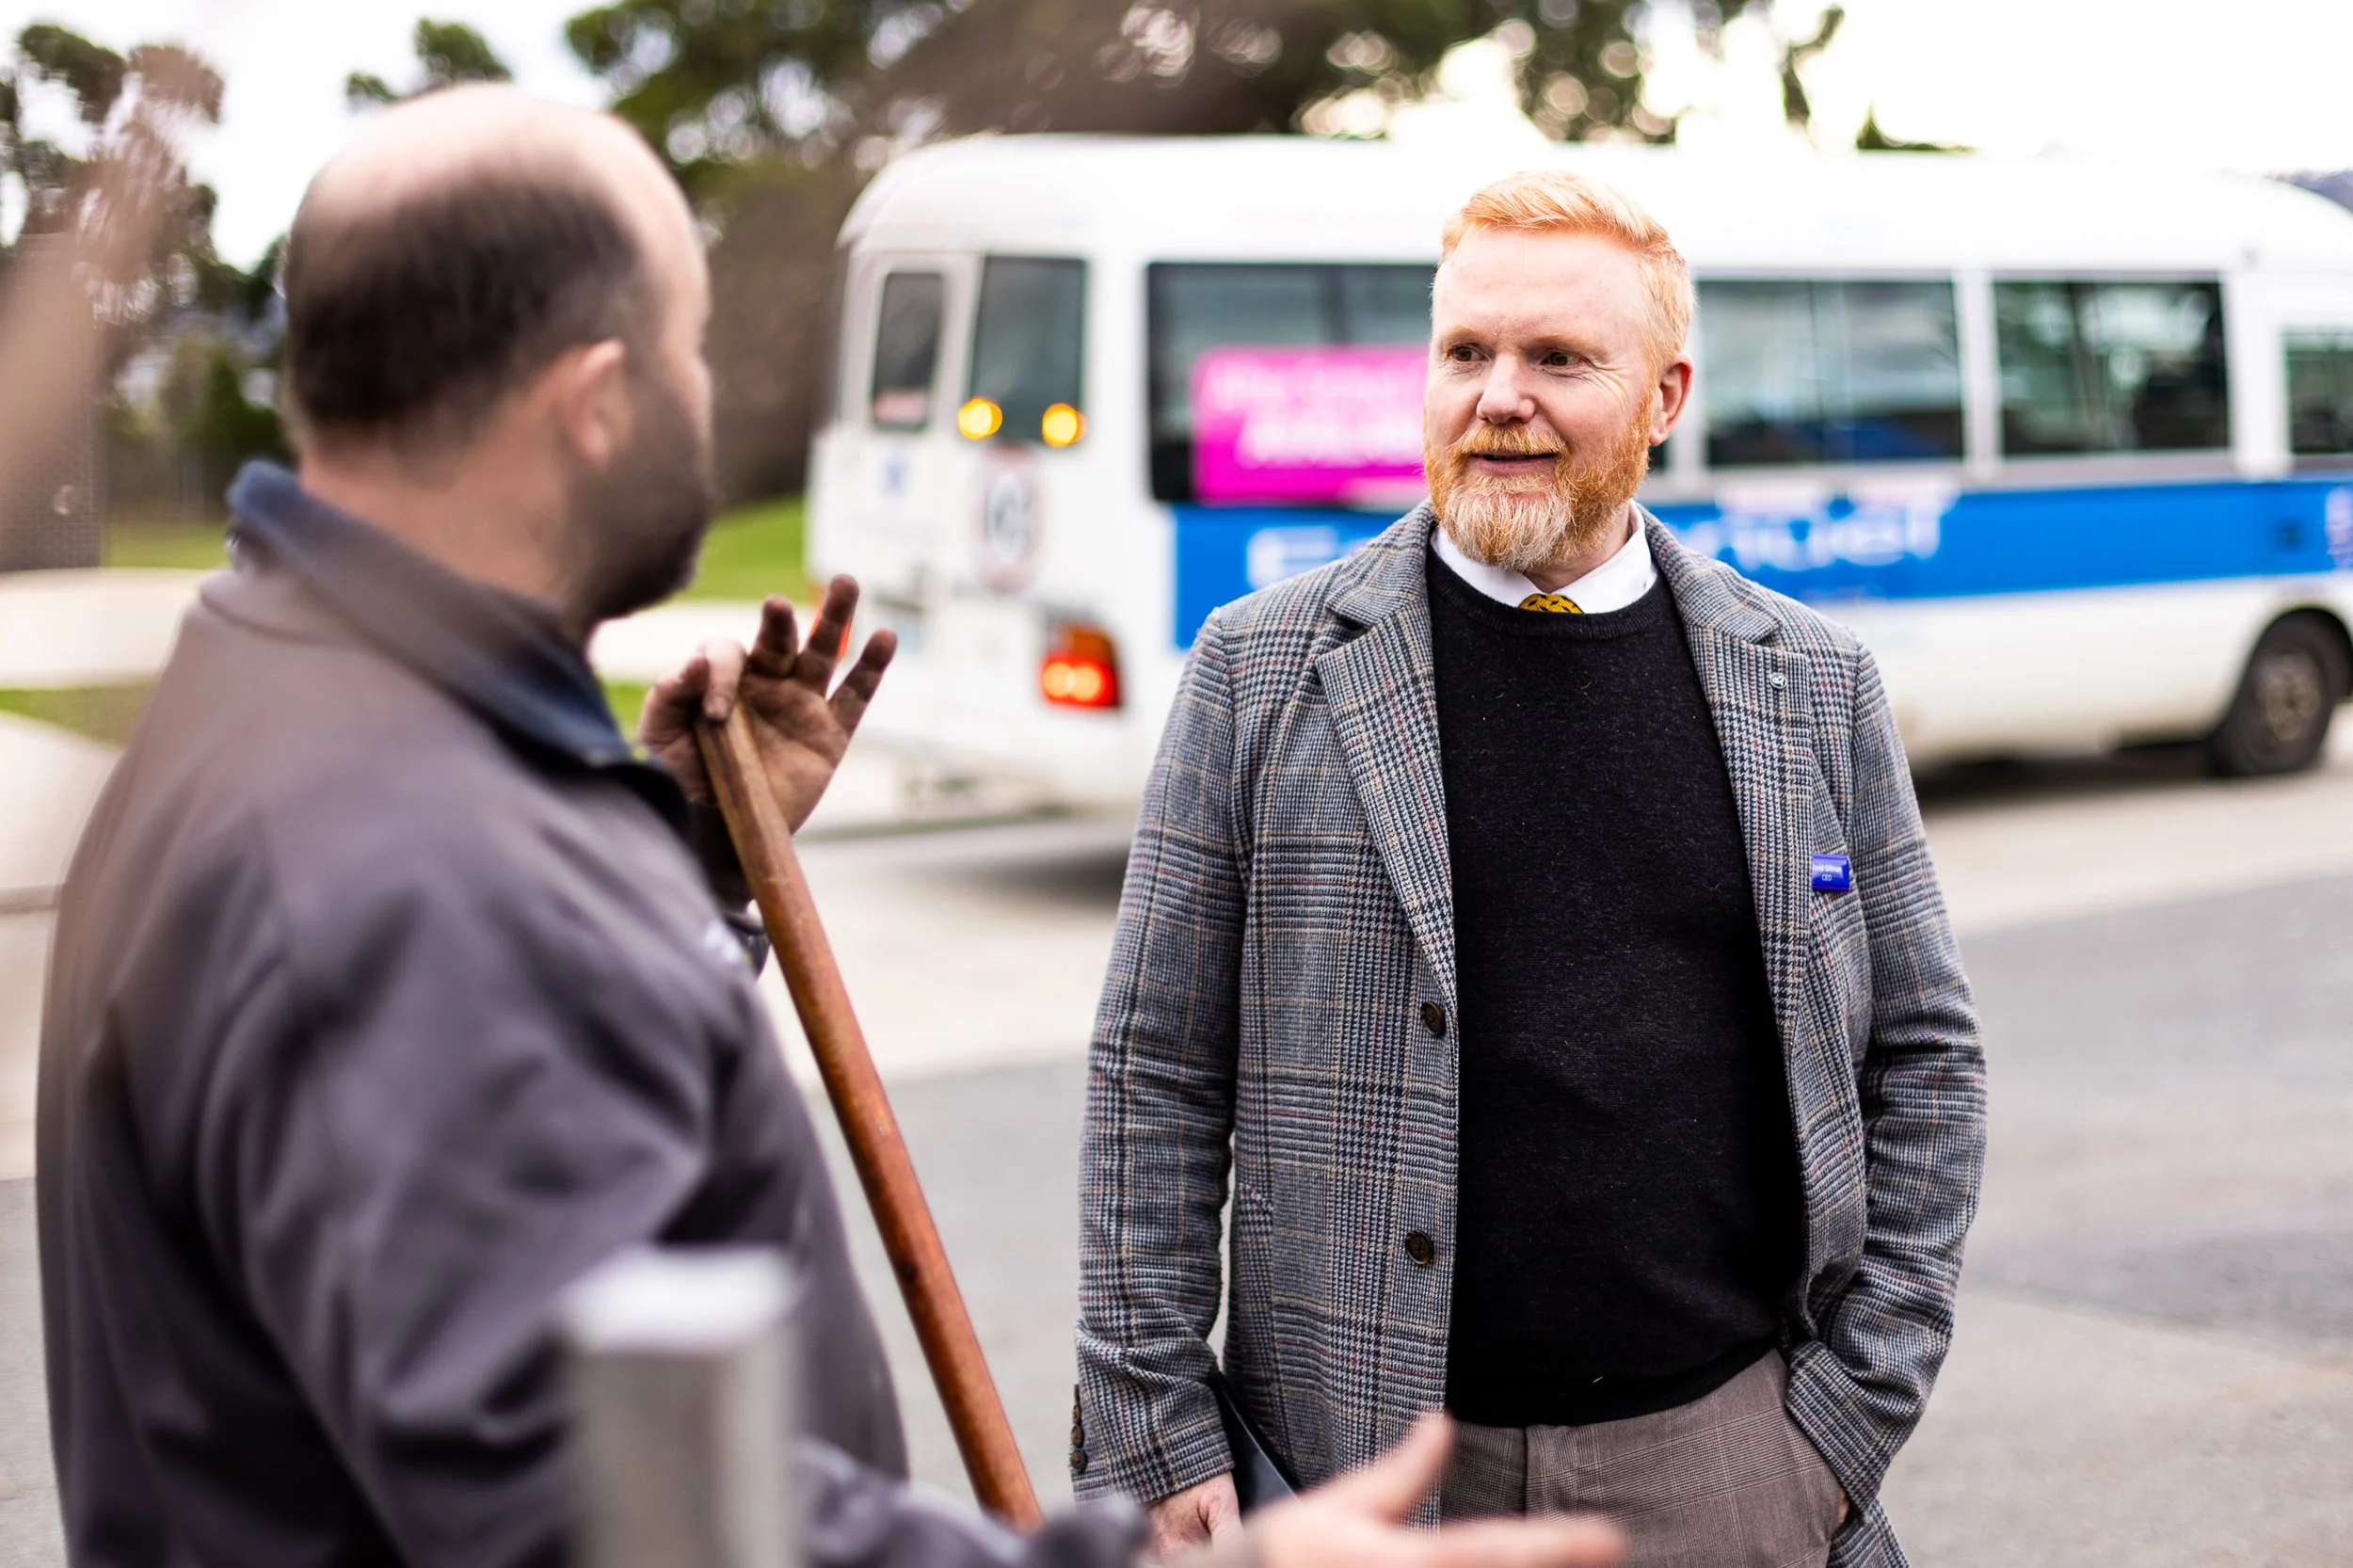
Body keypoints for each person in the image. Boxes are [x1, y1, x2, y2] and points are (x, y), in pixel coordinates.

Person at [34, 89, 1626, 1568]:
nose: (710, 398)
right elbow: (608, 1510)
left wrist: (675, 863)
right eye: (692, 350)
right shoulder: (404, 860)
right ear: (594, 405)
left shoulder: (286, 707)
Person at [1073, 168, 1987, 1568]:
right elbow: (1155, 1068)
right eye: (1466, 353)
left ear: (1665, 398)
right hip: (1360, 1474)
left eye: (1558, 358)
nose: (1500, 397)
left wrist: (1845, 1424)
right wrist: (1154, 1423)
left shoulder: (1812, 683)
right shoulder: (1259, 670)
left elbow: (1926, 1054)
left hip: (1728, 1464)